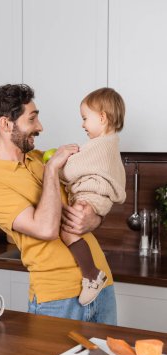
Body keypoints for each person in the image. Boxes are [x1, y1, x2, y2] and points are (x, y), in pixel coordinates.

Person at [0, 84, 117, 324]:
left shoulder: (41, 158)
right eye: (32, 119)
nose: (40, 127)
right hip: (57, 298)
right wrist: (51, 169)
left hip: (102, 284)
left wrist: (95, 218)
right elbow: (45, 229)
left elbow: (92, 191)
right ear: (6, 124)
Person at [58, 87, 126, 306]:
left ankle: (92, 275)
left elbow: (70, 171)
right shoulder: (111, 143)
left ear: (102, 117)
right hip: (98, 198)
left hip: (91, 196)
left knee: (68, 231)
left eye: (85, 118)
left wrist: (57, 165)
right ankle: (92, 275)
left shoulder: (99, 146)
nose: (82, 124)